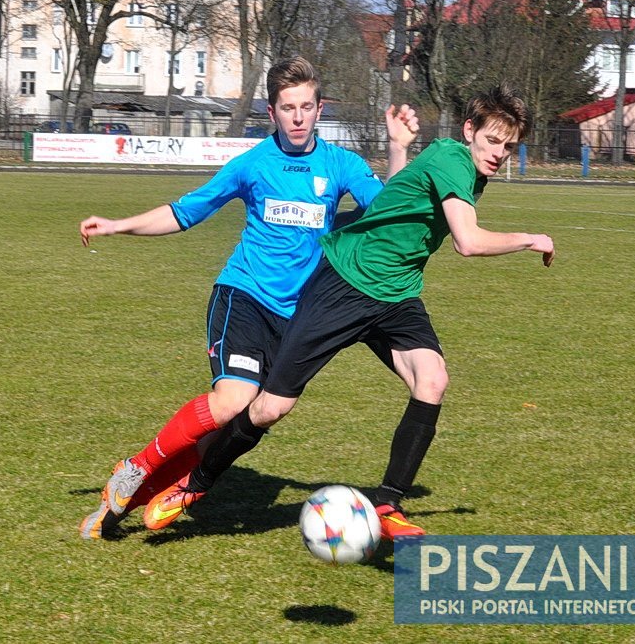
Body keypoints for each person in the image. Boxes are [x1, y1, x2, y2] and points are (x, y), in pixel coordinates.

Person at [143, 83, 555, 537]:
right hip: (343, 284)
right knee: (269, 409)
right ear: (469, 130)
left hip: (396, 294)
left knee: (432, 378)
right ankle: (193, 485)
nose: (499, 152)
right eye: (492, 140)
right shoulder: (451, 158)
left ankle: (387, 504)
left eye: (510, 146)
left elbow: (392, 199)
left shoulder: (468, 169)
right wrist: (531, 238)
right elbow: (468, 242)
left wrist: (397, 149)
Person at [78, 56, 419, 539]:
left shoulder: (341, 164)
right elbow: (186, 211)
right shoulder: (254, 164)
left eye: (306, 106)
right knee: (233, 399)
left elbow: (388, 212)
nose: (298, 117)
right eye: (287, 108)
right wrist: (118, 225)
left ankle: (132, 497)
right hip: (243, 296)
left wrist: (396, 149)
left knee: (251, 418)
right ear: (271, 111)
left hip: (296, 317)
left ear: (319, 108)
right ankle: (138, 466)